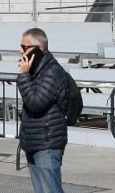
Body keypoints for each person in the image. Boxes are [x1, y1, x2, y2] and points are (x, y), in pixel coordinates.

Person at [14, 27, 72, 193]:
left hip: (47, 143)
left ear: (39, 48)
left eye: (25, 47)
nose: (21, 51)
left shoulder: (53, 72)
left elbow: (36, 103)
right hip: (34, 141)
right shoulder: (35, 70)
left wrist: (23, 76)